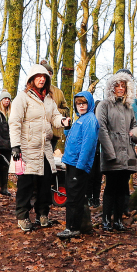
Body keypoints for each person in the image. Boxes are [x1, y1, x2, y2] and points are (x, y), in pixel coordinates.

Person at [9, 64, 71, 232]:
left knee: (45, 184)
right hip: (26, 149)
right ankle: (22, 216)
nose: (42, 79)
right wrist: (15, 146)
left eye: (44, 77)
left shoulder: (49, 100)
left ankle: (42, 214)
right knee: (26, 185)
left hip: (45, 148)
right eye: (38, 76)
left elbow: (55, 117)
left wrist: (63, 121)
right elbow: (14, 122)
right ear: (32, 79)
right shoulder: (22, 98)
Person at [97, 70, 137, 232]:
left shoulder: (128, 107)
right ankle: (106, 219)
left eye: (123, 86)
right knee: (111, 188)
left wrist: (135, 133)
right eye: (117, 85)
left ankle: (118, 220)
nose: (120, 88)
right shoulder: (104, 105)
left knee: (123, 188)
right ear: (111, 87)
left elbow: (134, 125)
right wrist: (109, 152)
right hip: (112, 153)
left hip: (127, 153)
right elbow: (101, 128)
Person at [57, 92, 100, 239]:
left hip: (78, 165)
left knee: (74, 198)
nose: (81, 106)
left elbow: (88, 145)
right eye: (78, 103)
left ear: (89, 104)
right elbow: (73, 140)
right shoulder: (80, 119)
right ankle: (82, 226)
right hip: (72, 163)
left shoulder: (90, 120)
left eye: (84, 103)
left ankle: (72, 228)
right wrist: (67, 128)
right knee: (74, 196)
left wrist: (81, 165)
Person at [39, 59, 70, 150]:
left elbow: (66, 110)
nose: (48, 75)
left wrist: (54, 111)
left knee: (47, 161)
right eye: (46, 72)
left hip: (53, 133)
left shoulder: (58, 92)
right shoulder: (33, 90)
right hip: (36, 133)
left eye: (50, 73)